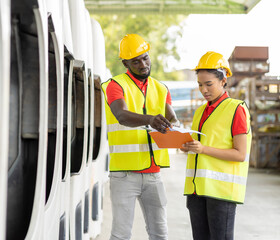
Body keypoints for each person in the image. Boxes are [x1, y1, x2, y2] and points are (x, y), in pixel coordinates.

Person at [101, 33, 179, 240]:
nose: (143, 64)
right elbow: (121, 115)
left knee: (160, 233)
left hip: (154, 175)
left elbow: (173, 119)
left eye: (145, 58)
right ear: (125, 63)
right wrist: (150, 119)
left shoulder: (161, 88)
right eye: (135, 61)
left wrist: (175, 130)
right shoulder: (115, 85)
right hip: (124, 175)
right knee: (121, 234)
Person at [181, 51, 252, 240]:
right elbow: (201, 145)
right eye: (200, 85)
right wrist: (187, 146)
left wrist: (203, 149)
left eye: (209, 84)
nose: (204, 90)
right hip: (197, 191)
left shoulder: (236, 109)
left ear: (223, 80)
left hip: (221, 193)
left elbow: (240, 154)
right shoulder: (200, 112)